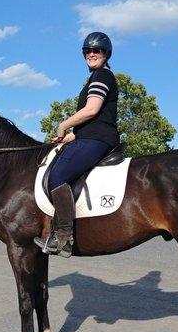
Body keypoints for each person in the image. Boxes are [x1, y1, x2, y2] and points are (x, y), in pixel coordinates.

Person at [34, 31, 120, 258]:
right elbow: (93, 121)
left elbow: (91, 110)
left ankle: (63, 237)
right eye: (87, 50)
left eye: (97, 50)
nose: (92, 54)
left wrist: (63, 125)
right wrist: (67, 137)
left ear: (106, 53)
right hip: (91, 136)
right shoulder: (97, 77)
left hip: (99, 139)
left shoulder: (102, 76)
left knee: (57, 175)